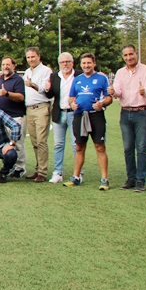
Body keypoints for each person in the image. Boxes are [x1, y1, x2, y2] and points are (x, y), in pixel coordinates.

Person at [64, 53, 112, 190]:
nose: (86, 65)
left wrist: (101, 104)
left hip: (96, 116)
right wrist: (72, 104)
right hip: (79, 116)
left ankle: (104, 179)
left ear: (94, 63)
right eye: (84, 63)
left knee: (100, 147)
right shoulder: (77, 79)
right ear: (81, 65)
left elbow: (109, 98)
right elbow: (71, 98)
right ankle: (76, 177)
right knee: (79, 147)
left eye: (89, 63)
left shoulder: (102, 78)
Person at [109, 44, 146, 192]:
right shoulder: (120, 72)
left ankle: (140, 180)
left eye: (131, 54)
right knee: (127, 148)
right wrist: (113, 92)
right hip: (125, 113)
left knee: (141, 148)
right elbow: (118, 91)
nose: (129, 57)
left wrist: (145, 91)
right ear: (123, 57)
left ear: (136, 53)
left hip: (142, 112)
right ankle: (131, 179)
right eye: (125, 55)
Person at [44, 53, 79, 184]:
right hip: (59, 114)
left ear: (72, 62)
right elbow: (50, 94)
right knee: (58, 144)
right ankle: (57, 172)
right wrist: (47, 89)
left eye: (68, 61)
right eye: (62, 62)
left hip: (75, 114)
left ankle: (78, 173)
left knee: (76, 144)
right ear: (59, 64)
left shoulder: (79, 75)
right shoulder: (54, 76)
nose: (65, 64)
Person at [22, 47, 53, 183]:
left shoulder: (46, 71)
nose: (30, 60)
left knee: (41, 141)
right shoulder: (28, 71)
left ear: (39, 56)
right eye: (28, 57)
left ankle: (43, 172)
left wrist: (32, 84)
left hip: (41, 107)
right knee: (34, 141)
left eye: (33, 57)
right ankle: (38, 168)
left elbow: (45, 89)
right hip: (30, 109)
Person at [0, 57, 26, 178]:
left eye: (8, 64)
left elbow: (21, 97)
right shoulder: (0, 79)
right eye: (3, 64)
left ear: (14, 66)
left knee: (17, 144)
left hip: (15, 116)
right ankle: (9, 166)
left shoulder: (18, 80)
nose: (5, 66)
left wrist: (7, 94)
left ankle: (19, 168)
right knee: (5, 144)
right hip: (1, 118)